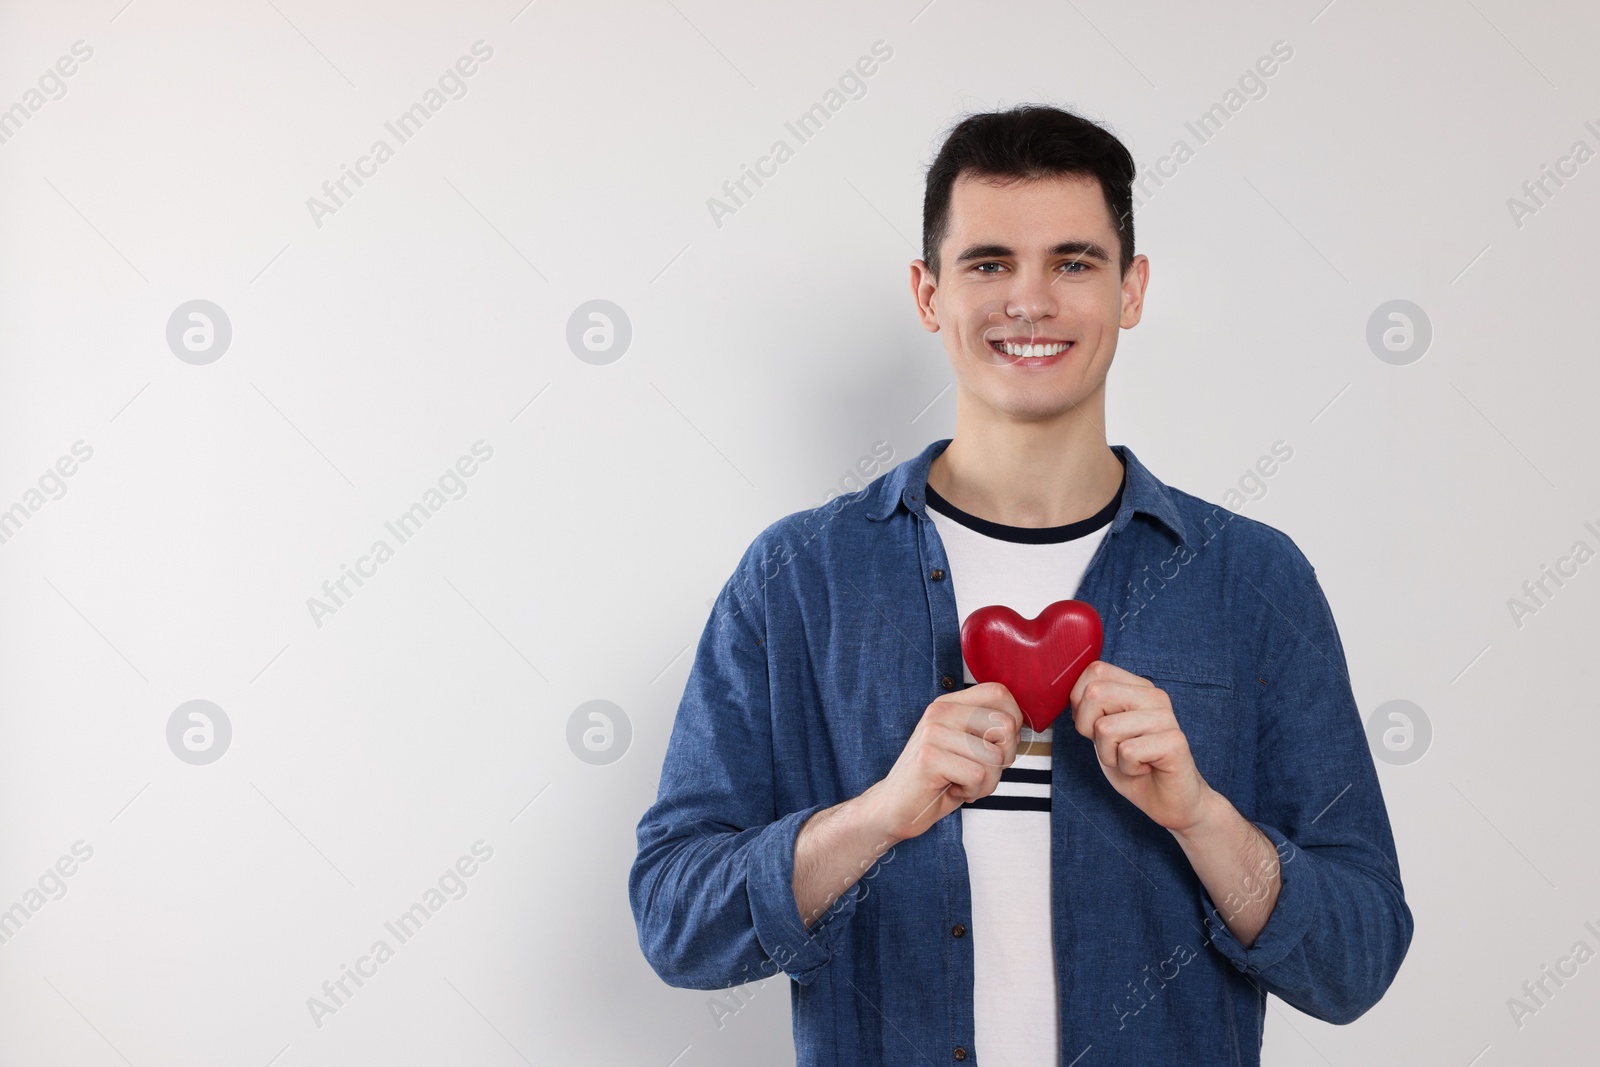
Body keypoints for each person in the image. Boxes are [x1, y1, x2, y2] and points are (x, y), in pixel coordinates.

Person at [629, 104, 1412, 1066]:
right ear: (928, 293)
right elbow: (675, 920)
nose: (1030, 302)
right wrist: (880, 814)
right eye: (989, 263)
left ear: (1133, 290)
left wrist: (1202, 818)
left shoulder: (1252, 579)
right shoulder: (798, 579)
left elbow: (1358, 956)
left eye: (1075, 262)